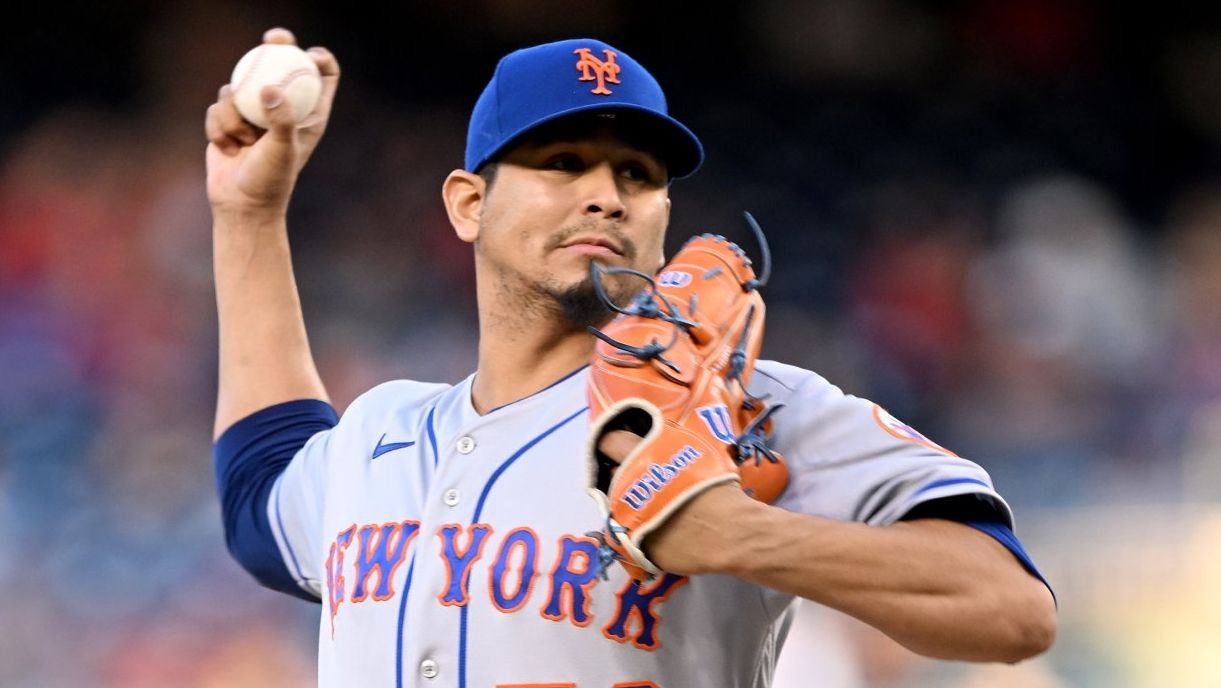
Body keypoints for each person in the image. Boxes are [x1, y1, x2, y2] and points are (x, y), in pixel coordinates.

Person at [205, 28, 1056, 687]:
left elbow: (1009, 607)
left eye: (637, 174)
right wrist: (249, 216)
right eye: (563, 162)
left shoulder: (739, 408)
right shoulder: (380, 430)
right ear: (468, 204)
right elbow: (259, 498)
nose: (605, 194)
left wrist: (741, 536)